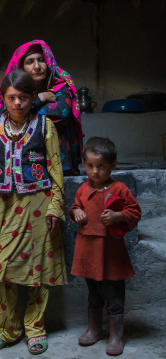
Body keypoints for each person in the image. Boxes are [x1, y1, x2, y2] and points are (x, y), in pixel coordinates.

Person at [0, 70, 66, 355]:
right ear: (2, 99)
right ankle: (7, 329)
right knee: (5, 269)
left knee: (38, 271)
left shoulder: (45, 127)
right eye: (11, 97)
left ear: (33, 98)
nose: (17, 103)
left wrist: (56, 206)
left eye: (23, 97)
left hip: (40, 205)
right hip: (7, 206)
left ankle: (35, 329)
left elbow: (56, 169)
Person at [69, 137, 141, 356]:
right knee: (94, 293)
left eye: (101, 166)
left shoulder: (120, 189)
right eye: (90, 166)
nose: (95, 171)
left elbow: (134, 211)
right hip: (88, 252)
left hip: (111, 253)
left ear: (113, 165)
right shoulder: (82, 189)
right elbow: (75, 207)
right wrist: (76, 212)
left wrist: (119, 215)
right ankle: (94, 329)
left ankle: (116, 335)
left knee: (114, 295)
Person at [0, 39, 83, 176]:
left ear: (49, 63)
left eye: (41, 60)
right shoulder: (12, 89)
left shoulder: (61, 86)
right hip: (25, 160)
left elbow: (61, 114)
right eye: (30, 62)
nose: (37, 66)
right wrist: (40, 98)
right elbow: (6, 116)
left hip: (59, 158)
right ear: (21, 68)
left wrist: (24, 113)